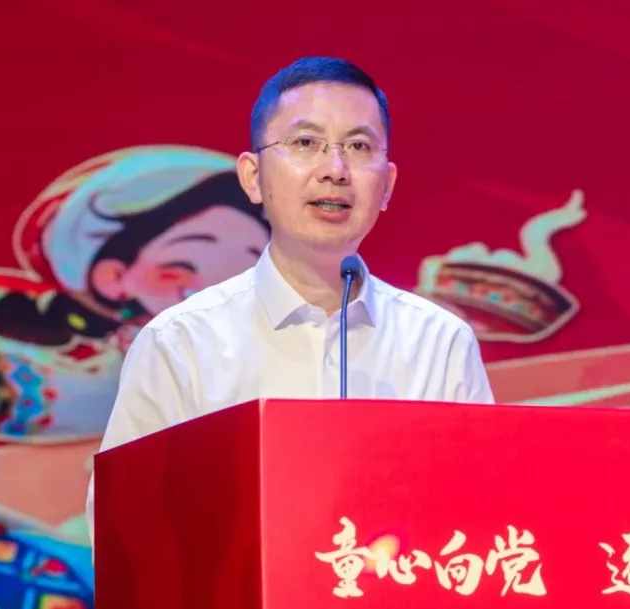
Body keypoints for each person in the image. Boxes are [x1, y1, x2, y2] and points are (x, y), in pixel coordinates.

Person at [86, 56, 494, 543]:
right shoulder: (180, 344)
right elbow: (122, 534)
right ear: (253, 176)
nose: (335, 170)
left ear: (386, 185)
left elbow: (480, 518)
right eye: (305, 143)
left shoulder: (439, 344)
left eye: (358, 147)